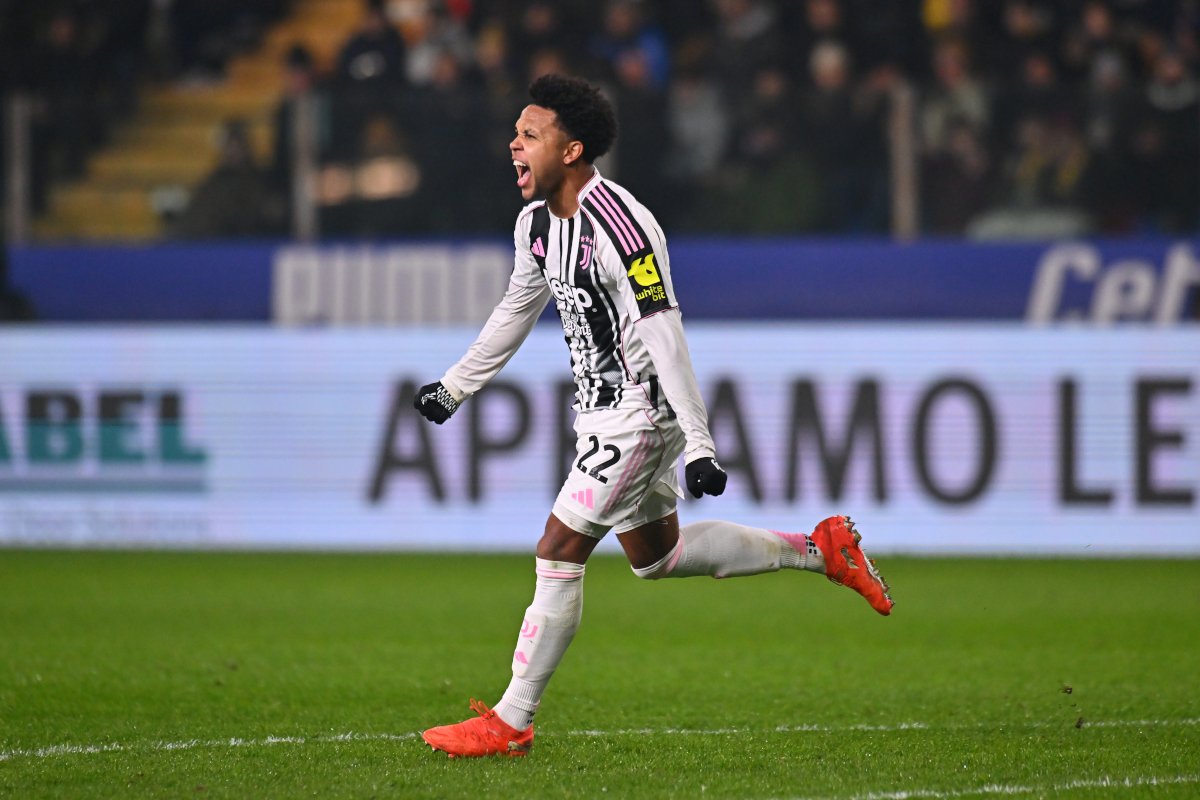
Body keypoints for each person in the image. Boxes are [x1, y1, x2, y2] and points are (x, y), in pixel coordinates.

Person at [412, 74, 893, 759]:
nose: (513, 144)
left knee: (558, 549)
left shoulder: (623, 228)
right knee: (655, 557)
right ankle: (821, 549)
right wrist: (455, 386)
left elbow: (665, 333)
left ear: (572, 150)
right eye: (516, 133)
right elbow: (517, 309)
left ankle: (512, 719)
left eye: (530, 134)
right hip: (600, 412)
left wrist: (699, 443)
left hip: (641, 412)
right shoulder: (536, 226)